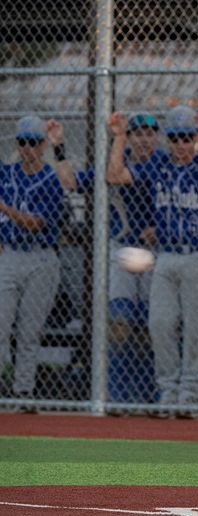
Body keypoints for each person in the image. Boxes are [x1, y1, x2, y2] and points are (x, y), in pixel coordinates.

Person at [107, 104, 198, 418]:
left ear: (195, 139)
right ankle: (168, 391)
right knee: (159, 324)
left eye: (187, 137)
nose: (181, 145)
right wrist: (119, 137)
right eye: (175, 138)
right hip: (167, 256)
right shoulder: (158, 163)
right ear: (167, 140)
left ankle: (188, 396)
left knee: (195, 329)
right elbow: (115, 175)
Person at [0, 116, 66, 410]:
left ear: (42, 146)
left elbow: (36, 223)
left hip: (41, 256)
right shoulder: (6, 173)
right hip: (10, 254)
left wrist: (3, 207)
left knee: (29, 331)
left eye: (33, 142)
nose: (27, 148)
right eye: (22, 142)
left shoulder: (50, 178)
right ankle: (5, 385)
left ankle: (23, 393)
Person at [102, 112, 165, 404]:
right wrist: (60, 147)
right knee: (119, 322)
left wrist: (161, 228)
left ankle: (147, 393)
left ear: (156, 137)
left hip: (159, 253)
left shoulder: (163, 161)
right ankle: (116, 395)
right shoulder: (121, 157)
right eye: (137, 133)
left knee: (150, 327)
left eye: (149, 133)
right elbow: (97, 177)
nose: (143, 139)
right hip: (124, 249)